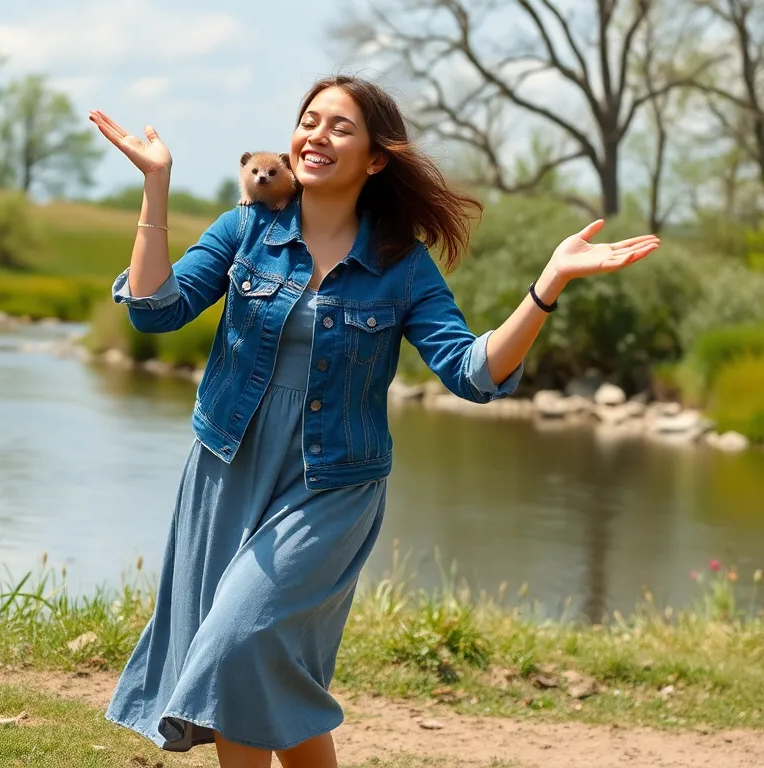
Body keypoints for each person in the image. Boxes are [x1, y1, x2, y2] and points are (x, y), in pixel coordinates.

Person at [88, 74, 659, 768]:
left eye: (340, 127)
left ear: (376, 158)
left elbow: (474, 374)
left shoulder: (402, 267)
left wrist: (549, 285)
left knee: (242, 640)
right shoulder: (247, 229)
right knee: (256, 666)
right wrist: (156, 186)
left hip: (331, 485)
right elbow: (155, 310)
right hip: (229, 468)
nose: (315, 135)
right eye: (309, 120)